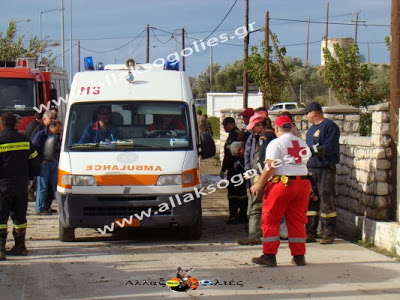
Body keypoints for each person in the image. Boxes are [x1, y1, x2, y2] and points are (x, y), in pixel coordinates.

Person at [250, 115, 311, 267]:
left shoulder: (275, 143)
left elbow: (270, 167)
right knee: (297, 220)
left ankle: (269, 256)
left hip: (282, 184)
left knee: (270, 219)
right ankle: (299, 256)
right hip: (303, 183)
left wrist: (259, 184)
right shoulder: (302, 143)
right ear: (291, 127)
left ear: (277, 129)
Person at [0, 113, 40, 260]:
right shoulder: (25, 140)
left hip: (2, 186)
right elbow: (35, 161)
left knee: (1, 218)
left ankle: (1, 249)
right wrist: (31, 178)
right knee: (20, 217)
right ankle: (20, 246)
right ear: (15, 124)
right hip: (21, 185)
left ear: (3, 124)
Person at [303, 102, 340, 244]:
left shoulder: (329, 127)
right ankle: (311, 231)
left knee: (326, 198)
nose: (306, 116)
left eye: (307, 113)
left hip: (325, 168)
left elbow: (330, 147)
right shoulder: (311, 130)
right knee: (312, 200)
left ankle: (328, 233)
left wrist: (312, 151)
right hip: (312, 169)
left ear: (314, 112)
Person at [238, 112, 277, 245]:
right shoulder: (272, 135)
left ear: (260, 125)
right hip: (269, 174)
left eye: (254, 127)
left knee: (255, 205)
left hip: (261, 174)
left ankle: (254, 235)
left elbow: (262, 159)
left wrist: (258, 179)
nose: (253, 130)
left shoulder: (264, 137)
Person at [220, 117, 248, 224]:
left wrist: (223, 169)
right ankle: (240, 215)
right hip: (236, 169)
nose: (224, 127)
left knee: (235, 194)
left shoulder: (236, 135)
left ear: (231, 124)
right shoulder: (232, 135)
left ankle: (236, 216)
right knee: (240, 193)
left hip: (236, 169)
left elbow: (229, 156)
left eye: (225, 125)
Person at [32, 120, 62, 214]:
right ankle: (39, 208)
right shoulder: (41, 135)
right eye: (57, 129)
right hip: (44, 164)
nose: (58, 131)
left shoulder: (57, 136)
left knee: (56, 186)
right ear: (51, 127)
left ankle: (56, 207)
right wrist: (41, 160)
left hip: (54, 162)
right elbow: (34, 147)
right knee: (42, 186)